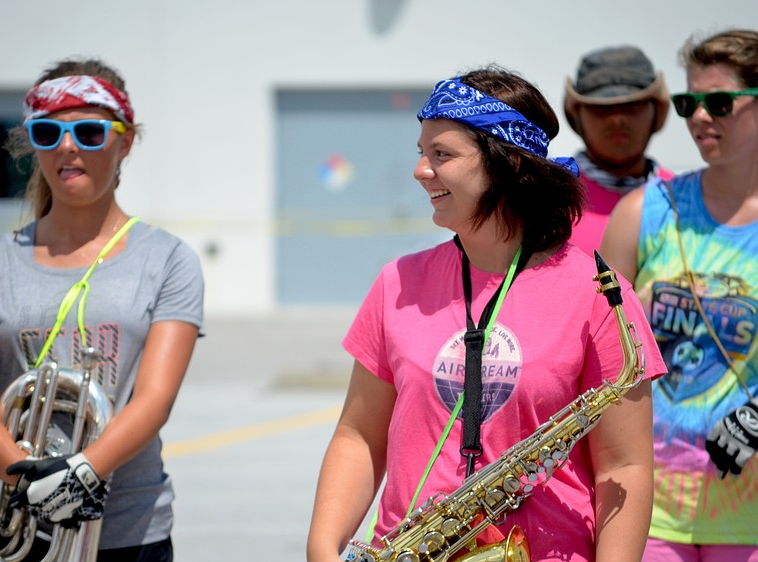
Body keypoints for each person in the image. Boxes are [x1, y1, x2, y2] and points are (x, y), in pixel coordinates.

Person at [306, 65, 666, 562]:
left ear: (508, 164)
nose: (420, 170)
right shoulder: (398, 281)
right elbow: (360, 435)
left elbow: (623, 468)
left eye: (442, 154)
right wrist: (323, 548)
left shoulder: (599, 293)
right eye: (421, 153)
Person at [0, 58, 204, 561]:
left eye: (89, 131)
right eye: (47, 132)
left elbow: (153, 398)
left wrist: (78, 474)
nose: (68, 147)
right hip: (18, 529)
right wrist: (25, 478)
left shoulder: (168, 260)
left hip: (130, 532)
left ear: (124, 141)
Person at [601, 29, 758, 562]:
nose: (699, 118)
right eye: (690, 103)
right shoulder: (646, 212)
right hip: (649, 504)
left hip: (748, 512)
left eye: (719, 103)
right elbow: (595, 349)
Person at [564, 45, 673, 256]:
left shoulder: (687, 200)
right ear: (576, 114)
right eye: (601, 108)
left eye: (633, 105)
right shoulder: (544, 196)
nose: (617, 120)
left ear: (657, 110)